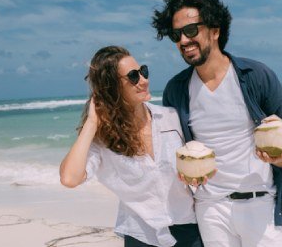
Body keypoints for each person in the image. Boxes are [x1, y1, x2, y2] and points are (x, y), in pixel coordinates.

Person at [151, 0, 282, 247]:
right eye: (177, 34)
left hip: (259, 202)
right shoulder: (176, 90)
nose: (184, 40)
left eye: (191, 30)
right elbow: (176, 149)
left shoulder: (257, 76)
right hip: (210, 207)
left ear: (215, 30)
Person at [59, 46, 202, 247]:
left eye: (143, 71)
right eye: (133, 76)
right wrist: (91, 123)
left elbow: (196, 159)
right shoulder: (103, 139)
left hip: (188, 229)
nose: (144, 80)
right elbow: (69, 178)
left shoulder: (170, 117)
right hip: (141, 235)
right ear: (113, 88)